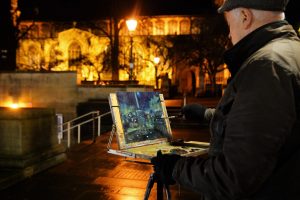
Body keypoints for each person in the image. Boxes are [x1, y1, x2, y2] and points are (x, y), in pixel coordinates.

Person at [151, 0, 300, 199]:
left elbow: (235, 174)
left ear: (245, 17)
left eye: (229, 25)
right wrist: (208, 115)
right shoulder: (290, 52)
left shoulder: (265, 67)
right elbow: (270, 124)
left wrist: (176, 168)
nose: (229, 35)